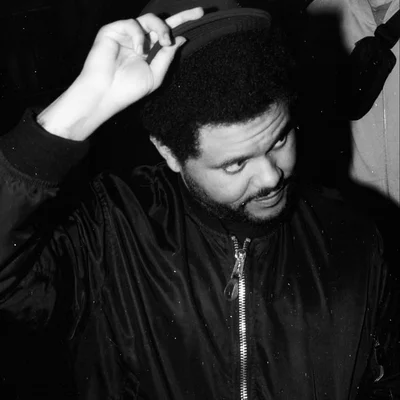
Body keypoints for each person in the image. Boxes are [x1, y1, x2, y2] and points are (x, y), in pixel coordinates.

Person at [0, 0, 399, 399]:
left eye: (279, 140)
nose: (271, 176)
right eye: (235, 164)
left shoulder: (353, 237)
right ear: (170, 153)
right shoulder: (110, 231)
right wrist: (79, 108)